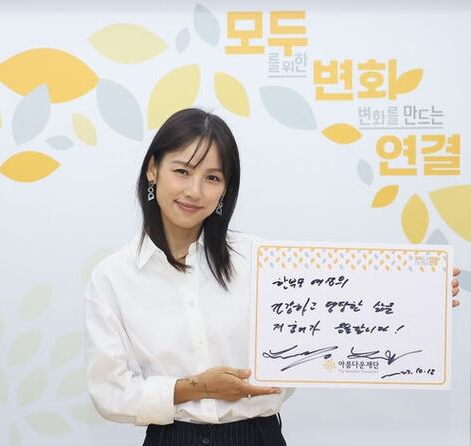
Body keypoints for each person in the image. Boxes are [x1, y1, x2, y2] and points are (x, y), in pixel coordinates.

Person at [84, 108, 462, 446]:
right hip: (172, 438)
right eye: (182, 171)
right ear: (153, 169)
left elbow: (334, 317)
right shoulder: (113, 278)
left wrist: (413, 299)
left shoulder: (264, 261)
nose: (194, 191)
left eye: (212, 177)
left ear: (226, 188)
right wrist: (195, 388)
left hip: (258, 436)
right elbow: (110, 393)